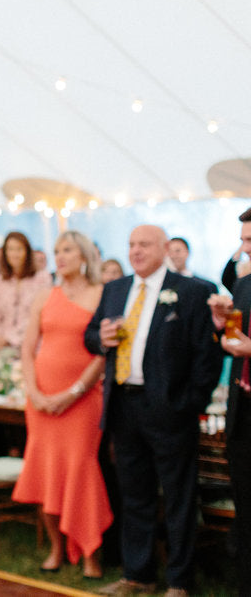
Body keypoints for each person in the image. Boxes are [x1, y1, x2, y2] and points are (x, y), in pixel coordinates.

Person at [85, 225, 220, 597]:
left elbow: (206, 357)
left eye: (144, 244)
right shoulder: (115, 289)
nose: (136, 251)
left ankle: (179, 581)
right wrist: (101, 338)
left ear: (164, 248)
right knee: (135, 494)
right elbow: (90, 334)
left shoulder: (192, 291)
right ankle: (138, 575)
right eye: (131, 244)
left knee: (178, 496)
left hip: (170, 408)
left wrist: (189, 403)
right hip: (124, 405)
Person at [13, 231, 111, 579]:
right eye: (56, 250)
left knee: (81, 469)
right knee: (46, 472)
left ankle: (90, 552)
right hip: (40, 400)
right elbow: (27, 349)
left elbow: (104, 352)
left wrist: (73, 391)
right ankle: (56, 547)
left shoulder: (101, 295)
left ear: (83, 254)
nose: (60, 256)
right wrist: (34, 392)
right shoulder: (45, 295)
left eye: (67, 249)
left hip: (83, 399)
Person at [207, 207, 251, 596]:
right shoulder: (244, 284)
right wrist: (223, 324)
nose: (243, 248)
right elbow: (232, 344)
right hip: (244, 413)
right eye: (242, 238)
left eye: (249, 240)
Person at [0, 231, 51, 354]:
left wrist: (9, 338)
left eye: (19, 249)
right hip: (2, 349)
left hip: (33, 346)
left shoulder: (42, 278)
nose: (15, 254)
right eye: (10, 249)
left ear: (27, 252)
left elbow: (39, 314)